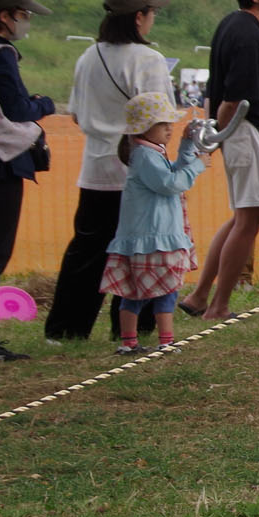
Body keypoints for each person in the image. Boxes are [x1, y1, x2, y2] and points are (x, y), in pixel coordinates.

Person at [45, 0, 174, 343]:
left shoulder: (88, 56)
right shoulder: (148, 59)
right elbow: (159, 119)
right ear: (138, 17)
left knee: (85, 252)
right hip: (137, 173)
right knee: (141, 251)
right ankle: (133, 328)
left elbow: (76, 114)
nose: (153, 19)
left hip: (94, 170)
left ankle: (66, 329)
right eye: (151, 13)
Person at [181, 0, 259, 322]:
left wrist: (217, 133)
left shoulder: (231, 25)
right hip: (248, 131)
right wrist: (219, 135)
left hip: (240, 132)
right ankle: (219, 304)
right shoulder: (247, 34)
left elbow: (218, 90)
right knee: (249, 221)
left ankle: (199, 296)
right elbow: (234, 98)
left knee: (241, 217)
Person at [101, 93, 205, 355]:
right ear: (144, 127)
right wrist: (197, 166)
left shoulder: (149, 152)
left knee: (135, 294)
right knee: (165, 292)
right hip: (153, 238)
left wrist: (186, 145)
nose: (170, 128)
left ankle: (130, 342)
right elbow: (170, 184)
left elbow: (172, 170)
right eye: (164, 124)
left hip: (150, 237)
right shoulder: (146, 156)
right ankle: (164, 342)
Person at [0, 0, 54, 363]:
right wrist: (44, 105)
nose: (25, 22)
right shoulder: (2, 52)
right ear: (4, 16)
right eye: (22, 15)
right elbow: (17, 110)